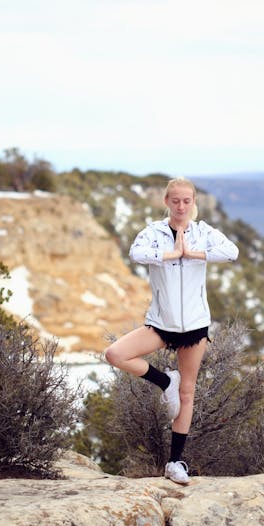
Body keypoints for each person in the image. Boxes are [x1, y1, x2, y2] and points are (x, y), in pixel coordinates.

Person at [104, 177, 238, 485]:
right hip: (161, 323)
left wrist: (193, 254)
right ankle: (166, 381)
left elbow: (232, 252)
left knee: (188, 392)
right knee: (116, 354)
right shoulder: (153, 233)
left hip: (194, 325)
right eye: (175, 201)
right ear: (166, 202)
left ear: (194, 203)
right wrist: (169, 255)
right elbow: (135, 254)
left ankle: (175, 462)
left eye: (186, 201)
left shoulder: (203, 232)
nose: (181, 206)